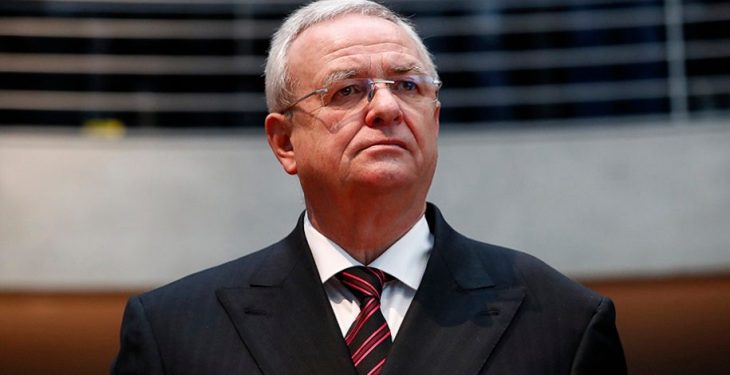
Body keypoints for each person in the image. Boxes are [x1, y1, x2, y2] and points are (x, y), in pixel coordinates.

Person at [112, 1, 627, 374]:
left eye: (408, 86)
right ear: (285, 141)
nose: (386, 108)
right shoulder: (174, 331)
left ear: (435, 120)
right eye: (348, 90)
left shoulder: (563, 319)